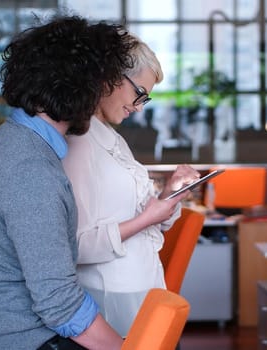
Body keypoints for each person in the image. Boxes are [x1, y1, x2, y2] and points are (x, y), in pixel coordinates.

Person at [0, 14, 136, 350]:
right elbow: (61, 306)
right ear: (79, 90)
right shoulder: (30, 168)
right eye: (98, 89)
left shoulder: (7, 142)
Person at [62, 34, 200, 337]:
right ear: (110, 77)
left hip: (142, 287)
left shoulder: (112, 138)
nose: (139, 108)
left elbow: (142, 219)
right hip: (114, 296)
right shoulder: (81, 142)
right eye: (139, 93)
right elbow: (77, 246)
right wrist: (147, 218)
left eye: (145, 99)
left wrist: (168, 195)